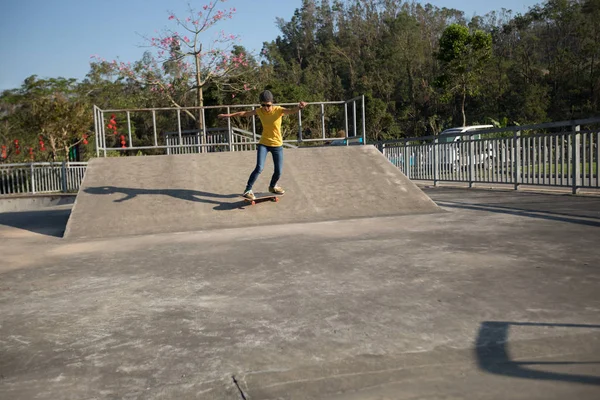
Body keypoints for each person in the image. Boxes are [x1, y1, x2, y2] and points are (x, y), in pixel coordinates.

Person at [218, 90, 308, 201]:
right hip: (264, 144)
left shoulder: (279, 110)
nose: (266, 108)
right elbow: (245, 113)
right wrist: (229, 115)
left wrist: (300, 107)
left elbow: (291, 111)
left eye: (268, 105)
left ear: (272, 103)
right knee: (259, 167)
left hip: (277, 145)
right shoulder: (260, 111)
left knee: (278, 171)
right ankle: (248, 190)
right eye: (263, 105)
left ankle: (273, 186)